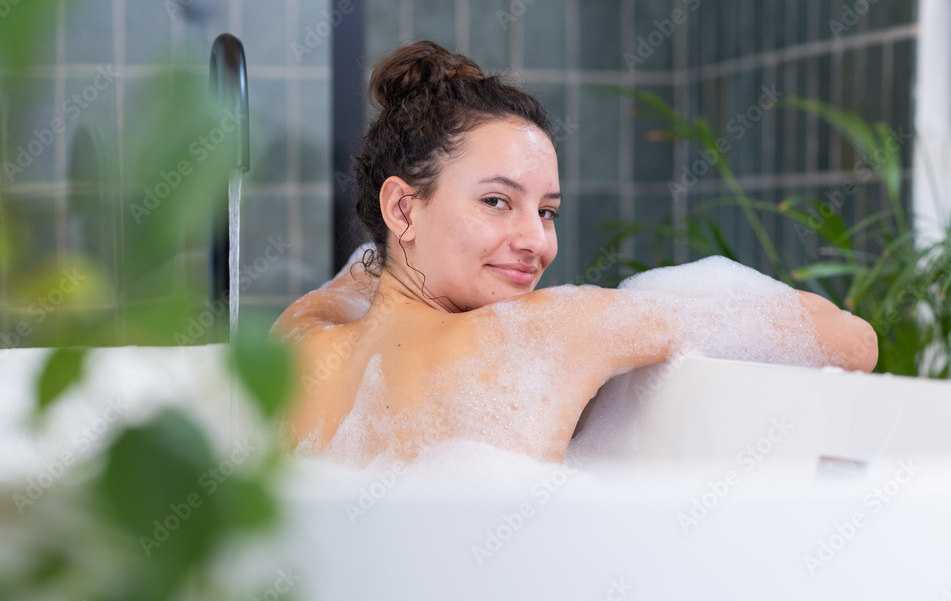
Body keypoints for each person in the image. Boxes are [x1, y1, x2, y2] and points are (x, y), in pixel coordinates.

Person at [272, 41, 878, 464]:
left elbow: (362, 280)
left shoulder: (297, 344)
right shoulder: (545, 334)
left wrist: (402, 251)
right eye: (496, 202)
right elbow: (853, 341)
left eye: (546, 211)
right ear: (402, 209)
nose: (536, 241)